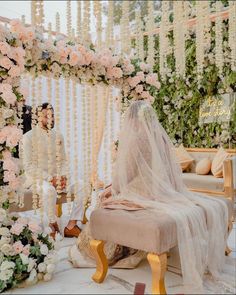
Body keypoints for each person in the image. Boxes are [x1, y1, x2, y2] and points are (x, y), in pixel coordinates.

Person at [69, 100, 232, 293]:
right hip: (160, 193)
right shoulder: (160, 138)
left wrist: (111, 189)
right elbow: (171, 172)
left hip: (140, 193)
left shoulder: (135, 139)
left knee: (103, 203)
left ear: (132, 119)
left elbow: (125, 177)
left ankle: (118, 249)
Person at [21, 102, 88, 238]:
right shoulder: (28, 137)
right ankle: (52, 225)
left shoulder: (58, 136)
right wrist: (50, 178)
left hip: (57, 178)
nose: (50, 119)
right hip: (37, 179)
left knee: (84, 185)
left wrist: (62, 176)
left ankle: (71, 226)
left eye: (52, 116)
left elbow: (63, 161)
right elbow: (28, 166)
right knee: (49, 190)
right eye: (46, 116)